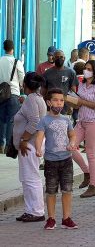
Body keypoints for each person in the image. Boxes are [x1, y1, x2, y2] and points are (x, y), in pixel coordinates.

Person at [35, 88, 78, 230]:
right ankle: (51, 218)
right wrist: (38, 149)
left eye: (61, 100)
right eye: (55, 100)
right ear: (48, 102)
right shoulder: (44, 120)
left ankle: (66, 218)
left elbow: (72, 135)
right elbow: (40, 136)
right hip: (51, 161)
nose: (59, 103)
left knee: (67, 190)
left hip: (66, 160)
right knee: (51, 190)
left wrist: (72, 143)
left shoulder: (66, 119)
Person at [13, 72, 46, 223]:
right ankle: (30, 210)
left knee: (31, 178)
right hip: (32, 144)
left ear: (25, 85)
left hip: (30, 145)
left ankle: (37, 211)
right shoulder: (35, 98)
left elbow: (34, 122)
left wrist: (23, 139)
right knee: (27, 178)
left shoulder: (32, 100)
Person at [71, 60, 95, 198]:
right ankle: (86, 172)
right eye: (85, 68)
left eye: (89, 69)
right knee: (69, 146)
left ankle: (93, 185)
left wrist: (83, 102)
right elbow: (78, 103)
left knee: (90, 153)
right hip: (81, 121)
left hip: (94, 122)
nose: (86, 71)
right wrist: (72, 102)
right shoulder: (81, 84)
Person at [0, 39, 25, 154]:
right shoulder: (17, 62)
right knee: (12, 120)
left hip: (1, 94)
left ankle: (0, 144)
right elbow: (22, 79)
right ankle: (9, 146)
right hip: (13, 93)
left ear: (3, 48)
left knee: (1, 119)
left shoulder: (0, 61)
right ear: (12, 49)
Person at [41, 50, 79, 115]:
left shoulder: (71, 72)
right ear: (53, 58)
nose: (59, 59)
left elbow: (73, 91)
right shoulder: (47, 73)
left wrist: (71, 106)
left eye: (61, 57)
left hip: (65, 108)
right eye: (57, 57)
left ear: (64, 58)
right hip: (50, 107)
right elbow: (43, 92)